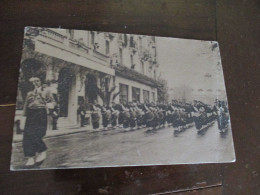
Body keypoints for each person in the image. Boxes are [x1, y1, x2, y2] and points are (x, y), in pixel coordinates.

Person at [23, 77, 55, 166]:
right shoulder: (29, 93)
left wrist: (50, 105)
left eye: (37, 81)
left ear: (41, 81)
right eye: (33, 82)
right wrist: (23, 117)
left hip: (41, 113)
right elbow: (26, 106)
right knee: (27, 135)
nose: (35, 83)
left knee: (37, 134)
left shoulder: (47, 91)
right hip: (30, 113)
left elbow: (53, 102)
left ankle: (42, 150)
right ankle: (30, 158)